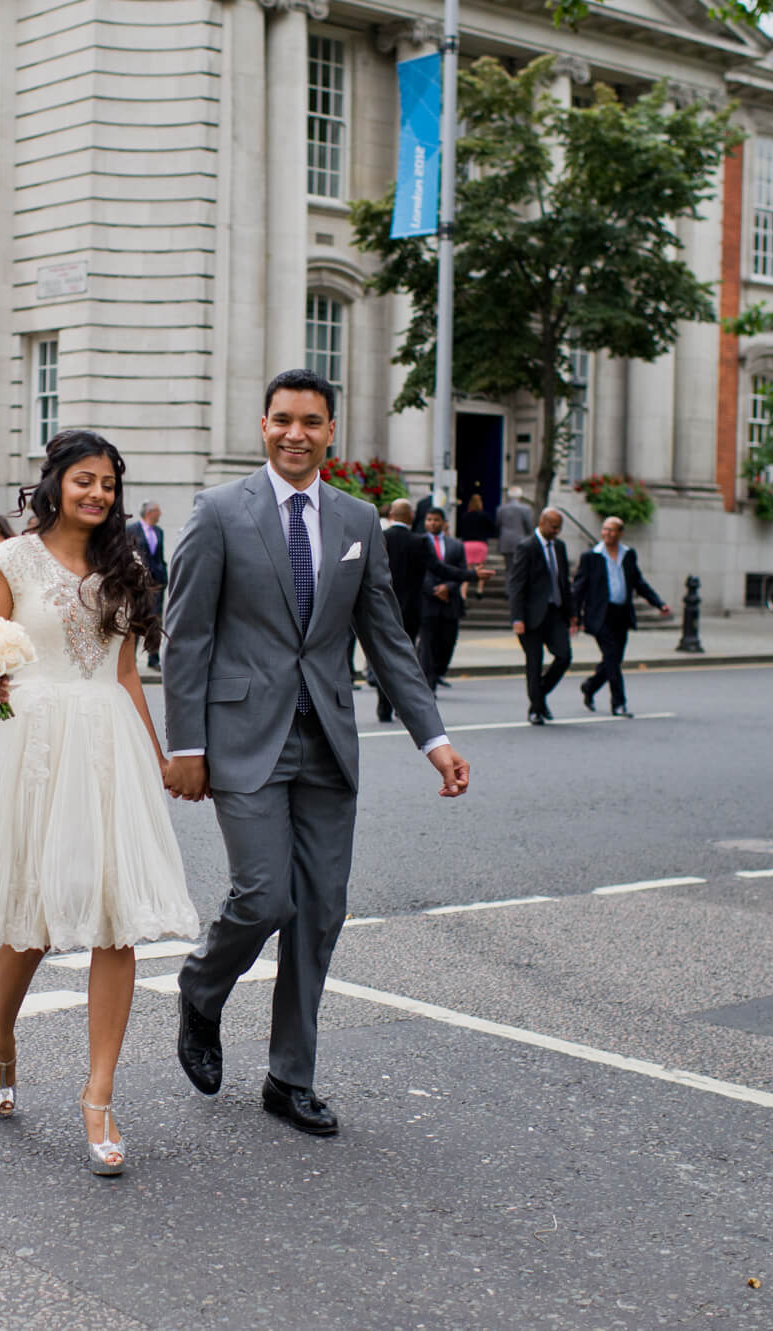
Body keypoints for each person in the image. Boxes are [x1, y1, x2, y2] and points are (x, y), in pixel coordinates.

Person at [164, 368, 469, 1138]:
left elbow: (388, 640)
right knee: (264, 896)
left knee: (320, 913)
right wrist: (187, 746)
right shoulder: (219, 513)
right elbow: (187, 635)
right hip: (243, 740)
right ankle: (201, 988)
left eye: (310, 421)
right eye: (281, 420)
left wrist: (432, 738)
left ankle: (289, 1076)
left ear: (331, 430)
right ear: (262, 426)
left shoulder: (360, 521)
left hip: (327, 741)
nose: (294, 433)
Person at [0, 429, 196, 1177]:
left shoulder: (126, 564)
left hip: (107, 744)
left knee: (117, 917)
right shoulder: (9, 559)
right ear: (54, 482)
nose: (98, 493)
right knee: (32, 920)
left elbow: (128, 673)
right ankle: (1, 1039)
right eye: (85, 479)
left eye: (108, 483)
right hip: (33, 747)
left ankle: (99, 1094)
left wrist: (156, 755)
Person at [573, 516, 670, 718]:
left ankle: (589, 687)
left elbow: (639, 583)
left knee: (614, 659)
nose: (607, 533)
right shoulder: (591, 556)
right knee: (611, 659)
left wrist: (658, 603)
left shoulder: (628, 555)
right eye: (604, 529)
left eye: (612, 530)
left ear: (620, 533)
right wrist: (575, 616)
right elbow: (579, 588)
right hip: (600, 615)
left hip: (621, 614)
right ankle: (618, 704)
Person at [507, 508, 576, 725]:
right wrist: (517, 618)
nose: (556, 531)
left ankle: (539, 695)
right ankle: (536, 709)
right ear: (542, 522)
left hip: (555, 613)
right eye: (553, 527)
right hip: (531, 616)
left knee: (564, 656)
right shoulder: (526, 546)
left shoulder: (560, 547)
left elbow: (564, 583)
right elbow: (516, 584)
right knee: (534, 663)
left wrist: (573, 614)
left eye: (559, 528)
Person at [413, 508, 486, 692]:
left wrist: (448, 587)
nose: (432, 523)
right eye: (429, 519)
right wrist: (432, 589)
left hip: (450, 602)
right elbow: (416, 572)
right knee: (427, 645)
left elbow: (460, 570)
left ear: (444, 523)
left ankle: (437, 673)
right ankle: (428, 684)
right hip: (427, 600)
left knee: (447, 642)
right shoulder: (417, 543)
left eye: (436, 520)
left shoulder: (456, 545)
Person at [377, 500, 422, 723]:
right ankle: (401, 706)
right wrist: (471, 576)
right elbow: (436, 569)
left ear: (392, 514)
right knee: (404, 659)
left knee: (382, 657)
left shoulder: (381, 537)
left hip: (382, 607)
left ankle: (383, 705)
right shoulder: (418, 542)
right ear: (411, 516)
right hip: (410, 610)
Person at [129, 502, 167, 669]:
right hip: (138, 584)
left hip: (157, 584)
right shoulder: (132, 529)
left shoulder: (159, 532)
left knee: (155, 621)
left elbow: (159, 556)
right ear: (150, 512)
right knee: (136, 618)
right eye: (158, 511)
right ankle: (131, 659)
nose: (160, 514)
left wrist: (163, 575)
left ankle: (154, 658)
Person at [495, 487, 534, 560]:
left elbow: (498, 525)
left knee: (508, 566)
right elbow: (528, 526)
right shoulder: (526, 508)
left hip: (505, 541)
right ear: (520, 496)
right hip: (520, 540)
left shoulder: (501, 509)